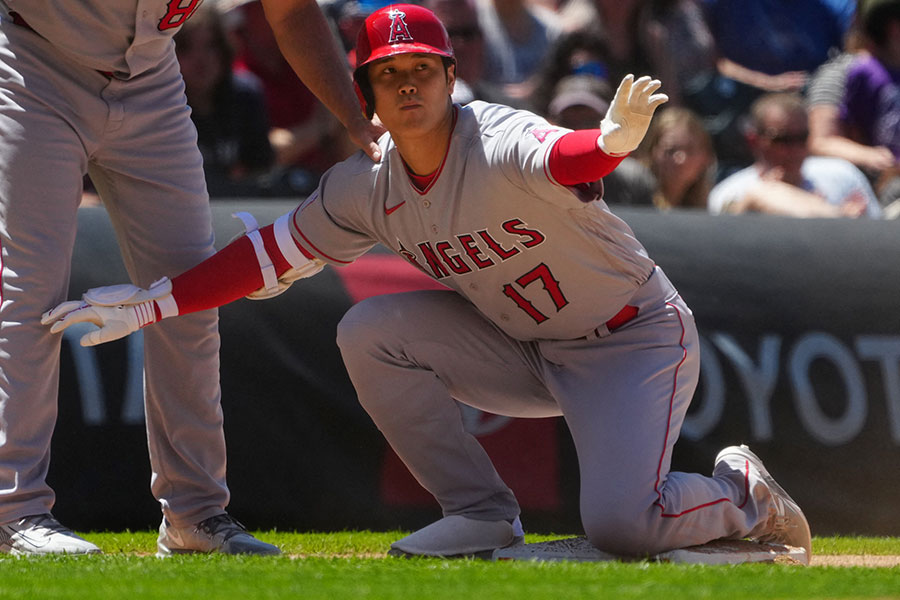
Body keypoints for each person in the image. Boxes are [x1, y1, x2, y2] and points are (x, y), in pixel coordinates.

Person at [43, 5, 812, 562]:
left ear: (451, 77)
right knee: (369, 332)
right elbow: (267, 255)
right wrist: (158, 300)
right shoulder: (365, 184)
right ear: (367, 94)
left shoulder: (497, 136)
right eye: (389, 75)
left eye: (422, 70)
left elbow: (566, 157)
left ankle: (741, 491)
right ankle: (479, 512)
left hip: (632, 339)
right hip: (526, 346)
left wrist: (610, 143)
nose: (408, 86)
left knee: (622, 528)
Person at [0, 0, 380, 556]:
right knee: (32, 293)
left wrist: (353, 118)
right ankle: (15, 511)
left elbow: (292, 10)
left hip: (151, 74)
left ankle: (195, 514)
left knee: (189, 293)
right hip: (37, 64)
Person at [708, 92, 882, 217]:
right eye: (783, 140)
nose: (795, 149)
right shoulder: (730, 193)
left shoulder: (842, 174)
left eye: (802, 138)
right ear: (754, 140)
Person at [175, 3, 277, 196]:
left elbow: (259, 167)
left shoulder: (246, 96)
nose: (200, 59)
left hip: (233, 211)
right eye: (186, 48)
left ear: (224, 49)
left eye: (211, 46)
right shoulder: (157, 105)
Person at [633, 106, 716, 210]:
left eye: (690, 150)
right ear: (652, 152)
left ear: (706, 157)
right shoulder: (633, 197)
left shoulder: (711, 203)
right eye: (670, 150)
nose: (681, 160)